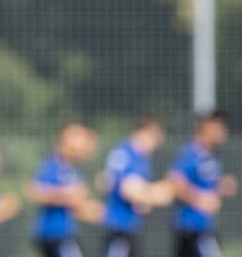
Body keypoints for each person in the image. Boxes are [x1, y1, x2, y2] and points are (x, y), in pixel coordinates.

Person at [101, 114, 173, 257]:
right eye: (155, 137)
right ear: (144, 132)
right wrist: (154, 194)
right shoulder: (124, 154)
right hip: (119, 227)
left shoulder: (143, 158)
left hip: (132, 227)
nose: (157, 143)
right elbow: (127, 189)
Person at [26, 123, 102, 257]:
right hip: (52, 234)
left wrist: (91, 210)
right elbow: (35, 192)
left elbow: (74, 205)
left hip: (64, 234)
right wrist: (66, 195)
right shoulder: (53, 166)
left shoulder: (73, 170)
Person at [167, 110, 237, 257]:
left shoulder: (212, 155)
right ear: (206, 127)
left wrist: (221, 185)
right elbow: (174, 181)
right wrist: (200, 200)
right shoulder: (192, 153)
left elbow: (204, 182)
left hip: (203, 226)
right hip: (192, 227)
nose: (223, 131)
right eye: (218, 126)